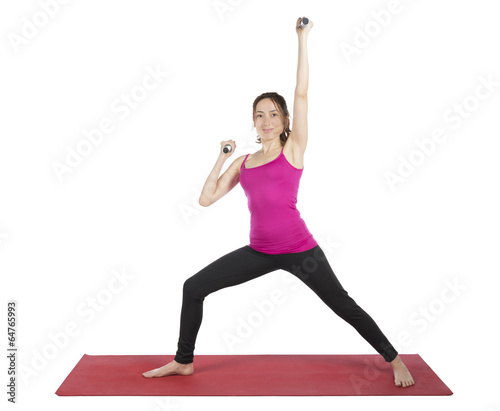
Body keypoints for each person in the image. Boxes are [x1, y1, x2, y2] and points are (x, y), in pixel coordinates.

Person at [143, 17, 415, 388]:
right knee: (193, 287)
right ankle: (183, 360)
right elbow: (206, 199)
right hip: (259, 251)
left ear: (285, 119)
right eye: (259, 115)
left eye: (273, 114)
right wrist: (222, 157)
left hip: (300, 250)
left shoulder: (293, 150)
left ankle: (395, 359)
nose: (266, 120)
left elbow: (301, 93)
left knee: (343, 304)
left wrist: (302, 38)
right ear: (253, 123)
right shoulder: (244, 162)